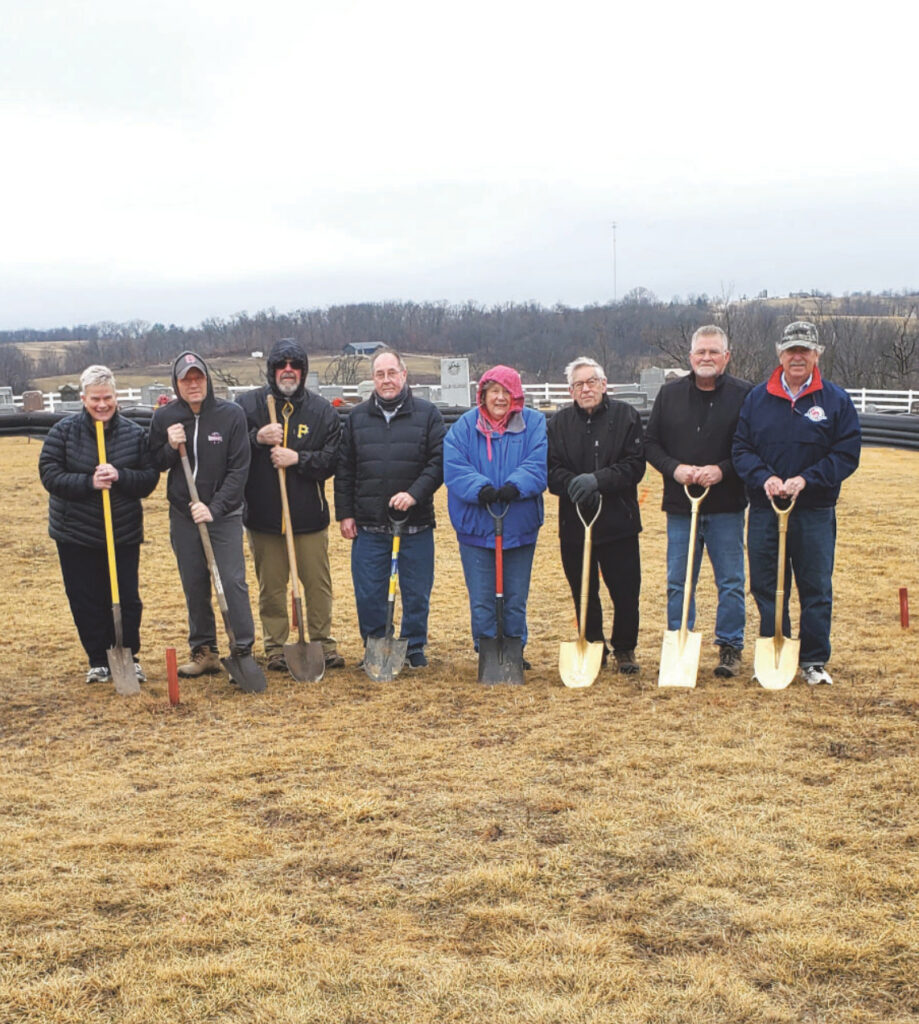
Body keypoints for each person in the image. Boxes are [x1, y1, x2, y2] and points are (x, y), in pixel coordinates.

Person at [733, 321, 861, 686]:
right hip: (765, 509)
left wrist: (807, 479)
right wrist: (765, 478)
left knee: (816, 586)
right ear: (780, 354)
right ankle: (777, 650)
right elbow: (740, 449)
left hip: (814, 511)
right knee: (767, 584)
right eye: (791, 351)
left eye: (805, 350)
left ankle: (813, 660)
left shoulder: (835, 400)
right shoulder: (757, 399)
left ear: (817, 354)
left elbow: (847, 454)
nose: (798, 357)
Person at [38, 365, 159, 684]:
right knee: (85, 596)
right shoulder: (63, 432)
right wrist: (89, 481)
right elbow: (49, 475)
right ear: (83, 398)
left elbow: (148, 479)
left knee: (126, 597)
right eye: (95, 399)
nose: (102, 404)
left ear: (116, 397)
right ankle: (98, 659)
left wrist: (121, 476)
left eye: (107, 398)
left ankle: (128, 655)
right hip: (75, 532)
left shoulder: (134, 434)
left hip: (122, 531)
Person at [644, 326, 753, 677]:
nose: (707, 358)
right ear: (690, 357)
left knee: (731, 582)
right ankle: (680, 640)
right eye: (701, 352)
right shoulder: (670, 393)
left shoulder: (745, 395)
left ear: (726, 357)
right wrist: (674, 469)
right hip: (681, 507)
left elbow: (752, 448)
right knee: (679, 581)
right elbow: (651, 444)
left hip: (727, 506)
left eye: (714, 352)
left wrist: (723, 470)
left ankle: (730, 648)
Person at [334, 347, 445, 669]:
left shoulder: (427, 415)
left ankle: (413, 648)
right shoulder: (356, 418)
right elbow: (345, 470)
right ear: (373, 379)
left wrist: (414, 495)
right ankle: (375, 644)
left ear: (404, 375)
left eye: (392, 373)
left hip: (416, 524)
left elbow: (438, 464)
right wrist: (346, 514)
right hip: (370, 526)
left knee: (416, 592)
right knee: (369, 593)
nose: (386, 380)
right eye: (380, 375)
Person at [148, 351, 256, 679]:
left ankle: (243, 648)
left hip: (223, 513)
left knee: (232, 579)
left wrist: (215, 507)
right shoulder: (165, 417)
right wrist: (169, 445)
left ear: (207, 380)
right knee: (194, 582)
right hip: (184, 515)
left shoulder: (230, 415)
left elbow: (239, 469)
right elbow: (153, 462)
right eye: (186, 379)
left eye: (198, 378)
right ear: (176, 383)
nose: (193, 384)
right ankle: (204, 650)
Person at [237, 338, 344, 671]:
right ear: (271, 369)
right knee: (271, 587)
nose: (288, 371)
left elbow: (331, 460)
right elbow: (229, 451)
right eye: (281, 365)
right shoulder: (246, 407)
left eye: (294, 365)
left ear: (303, 370)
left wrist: (298, 458)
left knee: (317, 584)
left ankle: (322, 642)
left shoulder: (321, 411)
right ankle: (276, 646)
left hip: (308, 516)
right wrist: (257, 439)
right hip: (264, 517)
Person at [444, 365, 547, 667]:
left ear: (516, 395)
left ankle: (515, 648)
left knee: (515, 596)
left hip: (518, 523)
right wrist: (482, 488)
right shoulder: (465, 426)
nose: (500, 398)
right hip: (476, 524)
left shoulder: (534, 423)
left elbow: (538, 462)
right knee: (482, 597)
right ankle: (487, 649)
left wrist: (516, 486)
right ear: (483, 394)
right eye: (494, 391)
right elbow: (454, 465)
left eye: (506, 391)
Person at [547, 357, 645, 674]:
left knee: (625, 591)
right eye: (579, 384)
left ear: (604, 384)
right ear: (570, 390)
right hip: (575, 524)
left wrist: (598, 481)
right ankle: (593, 646)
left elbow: (635, 466)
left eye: (591, 382)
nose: (586, 388)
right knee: (584, 591)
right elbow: (551, 471)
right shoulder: (558, 423)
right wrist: (572, 483)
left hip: (619, 522)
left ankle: (625, 649)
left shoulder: (625, 416)